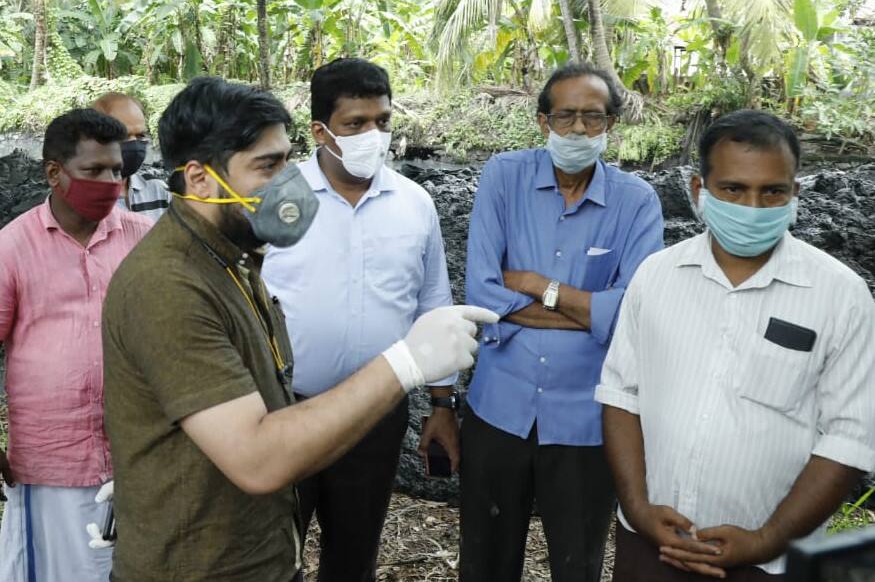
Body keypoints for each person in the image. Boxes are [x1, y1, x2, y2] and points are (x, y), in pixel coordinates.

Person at [101, 76, 497, 582]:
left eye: (288, 161)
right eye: (268, 166)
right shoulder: (169, 285)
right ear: (199, 178)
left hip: (250, 552)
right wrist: (406, 362)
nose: (290, 182)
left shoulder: (231, 260)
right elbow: (257, 459)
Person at [596, 110, 875, 581]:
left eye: (772, 192)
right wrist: (639, 509)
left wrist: (767, 538)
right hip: (649, 547)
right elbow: (622, 396)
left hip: (769, 563)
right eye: (733, 189)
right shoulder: (656, 276)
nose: (752, 207)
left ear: (795, 194)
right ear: (698, 190)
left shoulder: (841, 296)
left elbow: (850, 437)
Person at [461, 62, 664, 582]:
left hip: (586, 420)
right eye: (565, 116)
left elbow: (632, 315)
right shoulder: (504, 177)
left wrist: (534, 283)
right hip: (498, 407)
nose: (578, 129)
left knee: (577, 563)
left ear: (611, 125)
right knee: (484, 562)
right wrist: (590, 311)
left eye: (592, 117)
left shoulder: (636, 202)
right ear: (542, 121)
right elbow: (483, 293)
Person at [262, 57, 459, 582]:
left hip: (375, 416)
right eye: (355, 124)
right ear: (319, 131)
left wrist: (442, 405)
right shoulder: (276, 198)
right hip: (285, 410)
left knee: (354, 555)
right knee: (270, 554)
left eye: (383, 121)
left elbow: (433, 303)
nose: (374, 135)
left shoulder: (414, 204)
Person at [0, 108, 151, 582]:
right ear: (54, 173)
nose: (110, 183)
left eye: (116, 170)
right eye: (94, 170)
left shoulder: (145, 241)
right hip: (52, 463)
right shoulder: (13, 247)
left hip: (138, 457)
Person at [93, 92, 172, 222]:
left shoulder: (157, 190)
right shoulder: (82, 199)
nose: (134, 144)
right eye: (123, 135)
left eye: (140, 135)